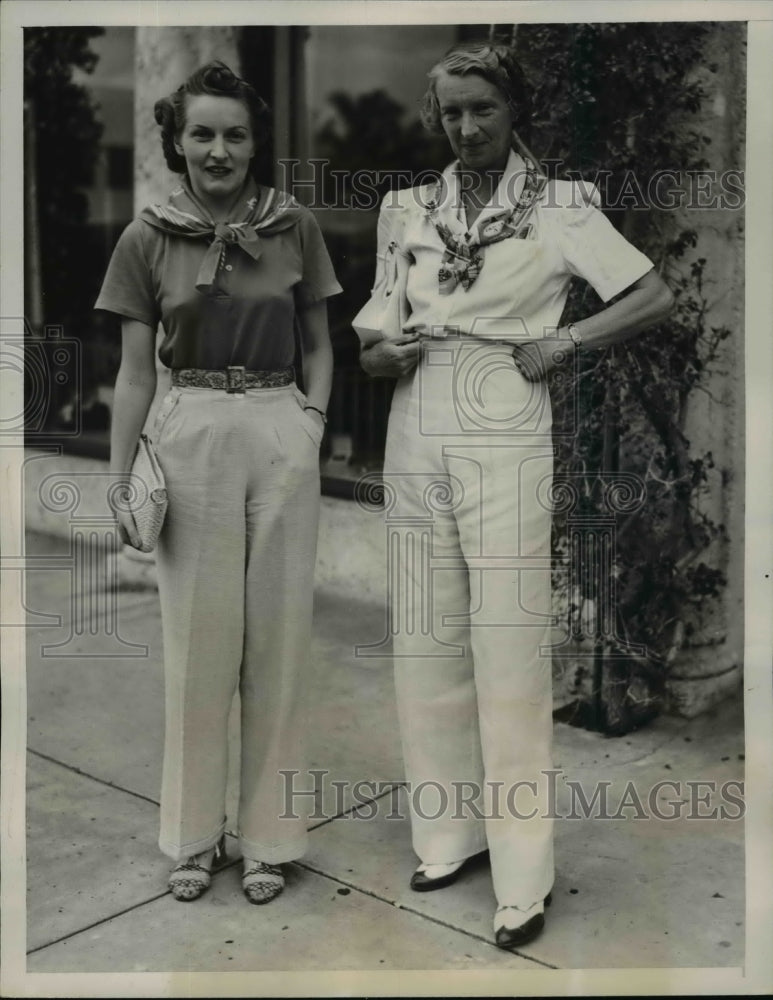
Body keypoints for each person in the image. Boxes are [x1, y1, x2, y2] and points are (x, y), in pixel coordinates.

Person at [359, 42, 674, 950]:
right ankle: (446, 835)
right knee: (425, 633)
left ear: (513, 109)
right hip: (418, 410)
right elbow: (375, 336)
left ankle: (523, 874)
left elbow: (649, 295)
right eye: (451, 112)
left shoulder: (561, 206)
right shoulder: (404, 209)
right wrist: (386, 356)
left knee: (505, 638)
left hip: (504, 406)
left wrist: (567, 345)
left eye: (482, 110)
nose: (465, 128)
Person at [96, 61, 341, 905]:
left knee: (275, 643)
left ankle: (270, 839)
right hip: (189, 428)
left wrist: (308, 427)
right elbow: (134, 372)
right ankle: (195, 839)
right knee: (198, 646)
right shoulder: (146, 235)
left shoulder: (294, 225)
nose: (218, 148)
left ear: (253, 143)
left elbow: (319, 341)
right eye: (201, 132)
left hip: (279, 429)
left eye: (235, 133)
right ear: (177, 140)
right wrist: (123, 472)